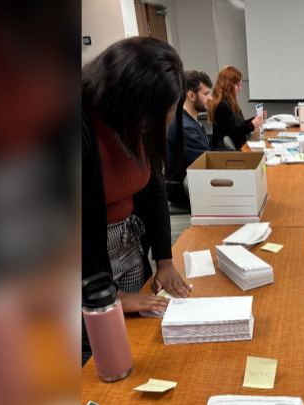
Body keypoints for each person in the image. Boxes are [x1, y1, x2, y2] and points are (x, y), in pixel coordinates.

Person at [82, 37, 192, 364]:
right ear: (128, 99)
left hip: (126, 249)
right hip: (81, 266)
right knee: (101, 359)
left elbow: (152, 183)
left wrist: (164, 259)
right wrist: (110, 296)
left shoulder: (133, 122)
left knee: (142, 342)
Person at [166, 70, 214, 208]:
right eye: (205, 94)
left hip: (192, 183)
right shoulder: (185, 127)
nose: (210, 98)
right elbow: (208, 160)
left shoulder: (190, 121)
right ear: (191, 95)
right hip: (184, 191)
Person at [207, 66, 266, 150]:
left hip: (236, 147)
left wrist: (255, 120)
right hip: (226, 153)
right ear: (228, 85)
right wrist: (251, 125)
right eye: (238, 85)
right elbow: (232, 133)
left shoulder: (229, 103)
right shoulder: (222, 107)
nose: (240, 88)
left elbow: (239, 125)